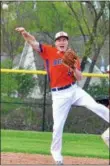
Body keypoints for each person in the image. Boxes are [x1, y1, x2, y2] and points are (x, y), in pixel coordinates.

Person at [15, 27, 109, 165]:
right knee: (58, 126)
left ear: (67, 42)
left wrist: (73, 67)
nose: (62, 42)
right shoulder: (49, 51)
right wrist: (25, 34)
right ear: (56, 43)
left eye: (64, 39)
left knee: (95, 105)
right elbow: (33, 43)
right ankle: (56, 155)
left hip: (74, 90)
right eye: (59, 40)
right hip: (59, 95)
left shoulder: (73, 56)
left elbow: (79, 77)